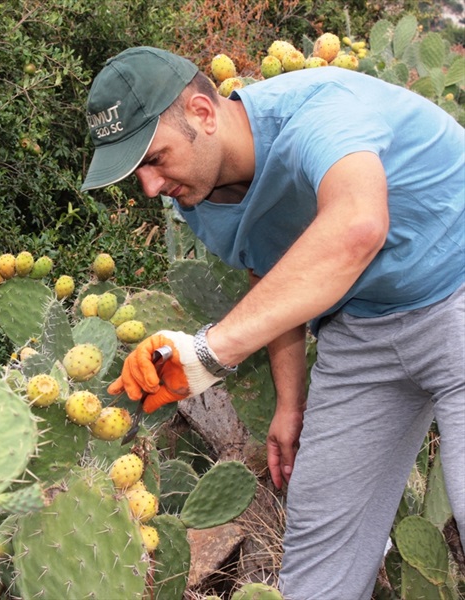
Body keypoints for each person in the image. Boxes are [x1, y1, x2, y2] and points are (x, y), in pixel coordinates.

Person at [81, 46, 465, 599]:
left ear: (203, 114)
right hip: (363, 329)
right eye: (135, 172)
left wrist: (208, 352)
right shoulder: (199, 197)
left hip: (456, 287)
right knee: (319, 538)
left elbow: (358, 226)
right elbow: (276, 273)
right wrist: (290, 403)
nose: (149, 186)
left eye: (155, 158)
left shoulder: (322, 110)